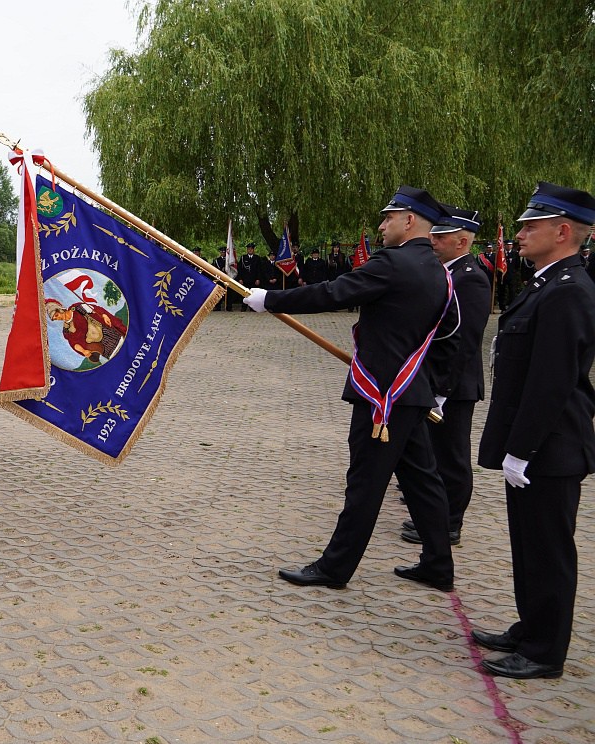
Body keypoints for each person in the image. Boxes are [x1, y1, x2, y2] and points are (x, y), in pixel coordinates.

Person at [244, 186, 456, 593]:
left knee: (365, 484)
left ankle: (334, 568)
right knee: (422, 482)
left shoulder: (393, 263)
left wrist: (270, 298)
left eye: (388, 218)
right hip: (411, 391)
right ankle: (437, 564)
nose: (382, 226)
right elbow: (448, 332)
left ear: (410, 220)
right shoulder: (438, 270)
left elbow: (332, 292)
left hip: (382, 397)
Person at [473, 182, 595, 680]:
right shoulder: (546, 283)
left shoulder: (569, 291)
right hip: (536, 443)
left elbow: (552, 382)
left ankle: (545, 651)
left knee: (548, 549)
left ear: (563, 232)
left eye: (530, 226)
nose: (519, 234)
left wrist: (522, 449)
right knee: (528, 545)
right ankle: (530, 628)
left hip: (551, 445)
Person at [398, 204, 490, 547]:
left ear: (462, 242)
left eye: (441, 236)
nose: (433, 241)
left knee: (451, 456)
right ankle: (433, 515)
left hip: (455, 385)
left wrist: (442, 390)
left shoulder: (471, 279)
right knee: (434, 453)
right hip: (434, 379)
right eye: (433, 235)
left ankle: (450, 523)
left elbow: (464, 341)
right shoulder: (444, 273)